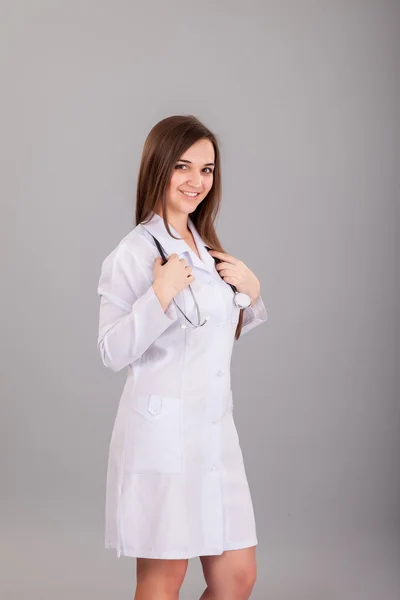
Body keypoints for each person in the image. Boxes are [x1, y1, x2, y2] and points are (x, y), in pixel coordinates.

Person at [96, 115, 268, 600]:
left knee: (237, 576)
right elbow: (111, 350)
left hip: (215, 435)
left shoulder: (208, 250)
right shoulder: (132, 253)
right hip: (162, 439)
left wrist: (251, 297)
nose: (197, 181)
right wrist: (159, 297)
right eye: (183, 166)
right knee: (162, 580)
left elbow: (209, 336)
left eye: (208, 169)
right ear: (158, 168)